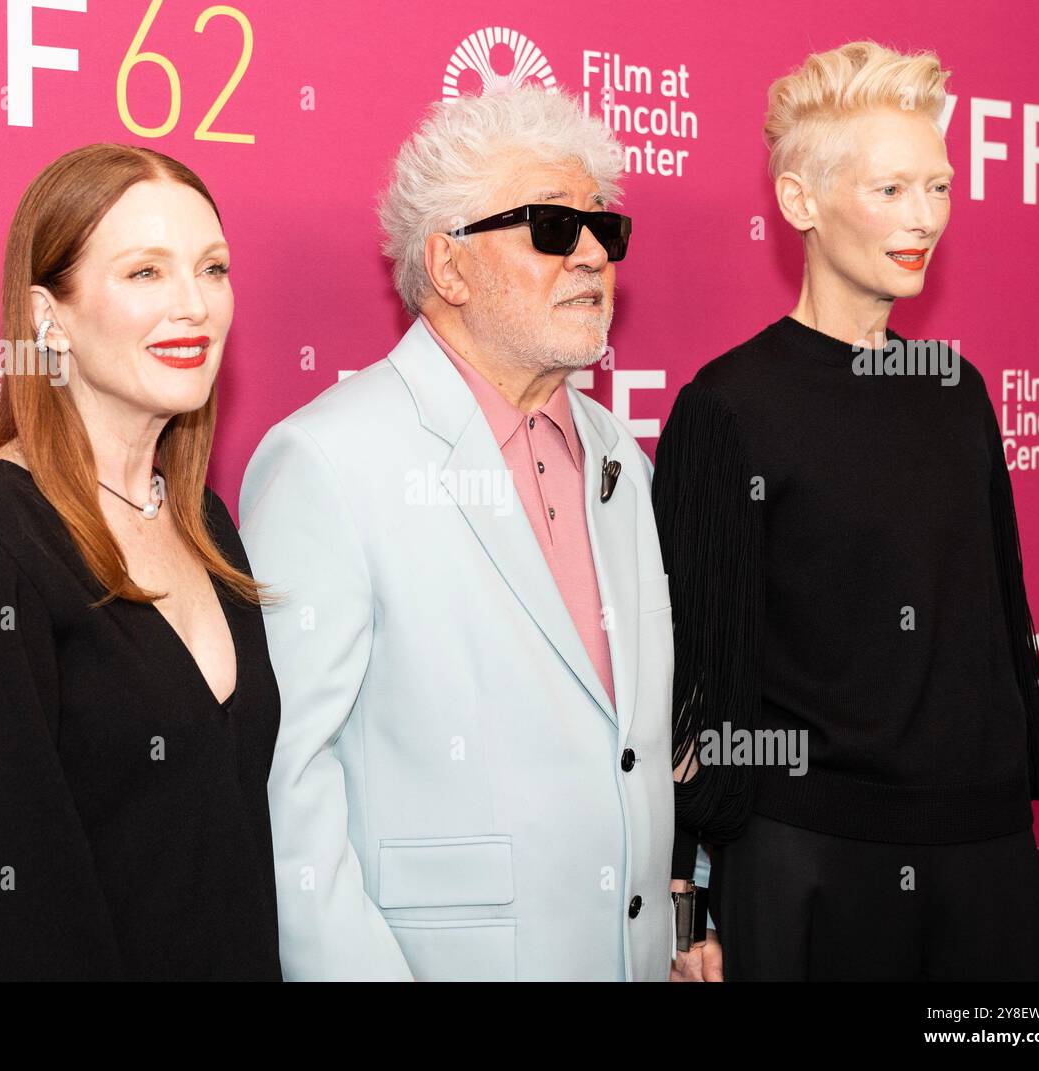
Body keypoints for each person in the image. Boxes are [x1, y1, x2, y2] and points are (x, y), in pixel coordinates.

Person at [239, 85, 704, 981]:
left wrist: (679, 927)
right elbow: (285, 788)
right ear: (447, 267)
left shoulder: (623, 458)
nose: (591, 258)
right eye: (551, 229)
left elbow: (638, 746)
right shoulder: (329, 460)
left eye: (603, 231)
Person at [652, 41, 1039, 981]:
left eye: (938, 188)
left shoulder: (956, 388)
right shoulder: (728, 407)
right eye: (889, 191)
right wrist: (691, 906)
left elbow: (1005, 621)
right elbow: (696, 686)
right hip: (810, 868)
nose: (923, 218)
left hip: (987, 862)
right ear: (801, 201)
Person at [0, 143, 282, 980]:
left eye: (212, 268)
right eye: (146, 273)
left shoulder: (205, 522)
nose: (194, 306)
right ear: (48, 317)